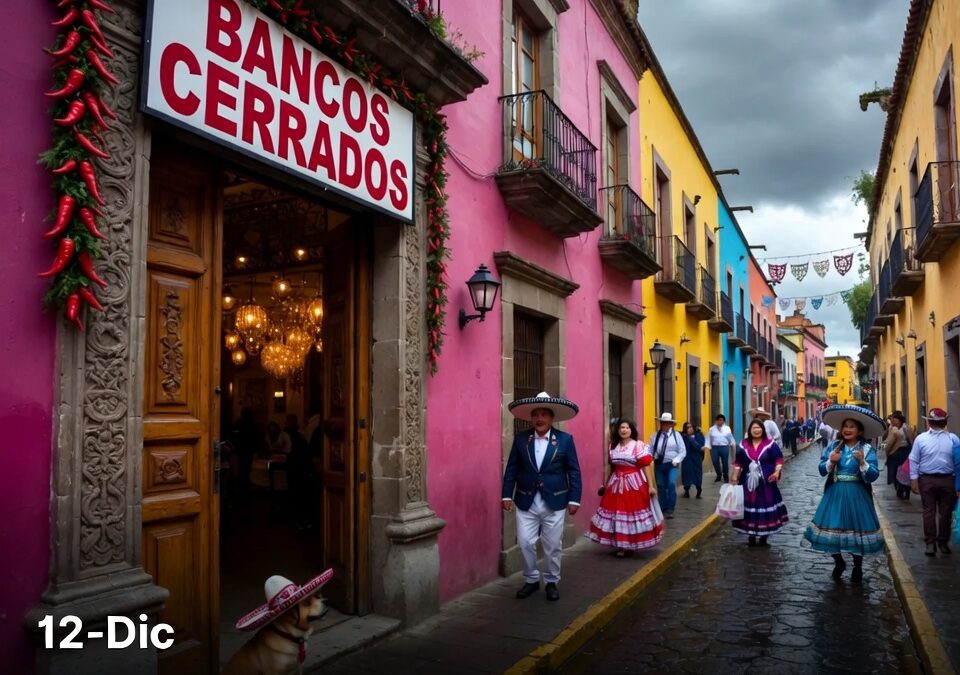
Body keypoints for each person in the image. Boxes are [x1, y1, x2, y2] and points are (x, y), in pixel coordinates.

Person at [502, 392, 582, 602]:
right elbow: (511, 469)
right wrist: (506, 495)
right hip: (525, 499)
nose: (539, 418)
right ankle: (530, 579)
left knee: (553, 545)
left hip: (555, 500)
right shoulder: (521, 439)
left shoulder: (565, 440)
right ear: (531, 417)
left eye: (544, 414)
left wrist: (574, 498)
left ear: (551, 418)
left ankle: (551, 581)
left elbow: (573, 470)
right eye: (536, 414)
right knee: (525, 542)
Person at [803, 405, 886, 582]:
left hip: (857, 495)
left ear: (859, 430)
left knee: (857, 531)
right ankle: (839, 562)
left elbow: (873, 476)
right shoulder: (834, 446)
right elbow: (821, 470)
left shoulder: (867, 450)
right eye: (845, 426)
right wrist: (831, 462)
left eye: (852, 426)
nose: (847, 429)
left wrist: (863, 462)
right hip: (835, 493)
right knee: (833, 528)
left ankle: (857, 566)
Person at [587, 419, 664, 556]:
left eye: (627, 428)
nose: (624, 430)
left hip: (634, 485)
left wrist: (651, 486)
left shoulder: (638, 446)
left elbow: (645, 466)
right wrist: (604, 484)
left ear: (631, 430)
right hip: (615, 485)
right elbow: (611, 468)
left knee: (631, 514)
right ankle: (621, 545)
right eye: (621, 427)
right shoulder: (613, 446)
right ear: (618, 430)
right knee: (617, 514)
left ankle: (630, 544)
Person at [908, 408, 960, 556]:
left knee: (945, 513)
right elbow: (914, 459)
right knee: (930, 513)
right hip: (927, 479)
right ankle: (931, 543)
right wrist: (914, 480)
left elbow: (958, 462)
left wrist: (958, 484)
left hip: (947, 479)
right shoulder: (921, 438)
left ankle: (942, 542)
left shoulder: (953, 439)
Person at [730, 419, 789, 546]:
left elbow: (778, 459)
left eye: (759, 428)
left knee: (764, 506)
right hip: (748, 484)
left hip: (766, 483)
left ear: (762, 429)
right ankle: (751, 535)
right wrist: (734, 476)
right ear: (749, 431)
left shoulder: (770, 444)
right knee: (749, 508)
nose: (756, 430)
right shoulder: (743, 444)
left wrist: (776, 472)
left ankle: (764, 537)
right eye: (754, 428)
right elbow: (738, 462)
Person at [648, 412, 686, 519]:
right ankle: (662, 507)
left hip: (672, 464)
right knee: (660, 485)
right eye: (662, 423)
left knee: (670, 484)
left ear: (671, 424)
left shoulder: (676, 436)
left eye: (667, 423)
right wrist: (650, 457)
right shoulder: (654, 436)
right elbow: (650, 450)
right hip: (659, 465)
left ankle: (670, 508)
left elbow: (683, 451)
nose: (664, 425)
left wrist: (677, 460)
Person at [884, 412, 911, 500]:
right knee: (895, 471)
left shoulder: (905, 428)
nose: (894, 422)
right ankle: (899, 488)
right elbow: (886, 440)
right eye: (892, 420)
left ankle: (904, 489)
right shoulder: (891, 428)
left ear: (900, 421)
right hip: (894, 452)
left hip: (903, 452)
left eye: (895, 421)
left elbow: (910, 439)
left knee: (904, 471)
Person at [706, 413, 736, 483]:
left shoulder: (727, 428)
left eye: (722, 420)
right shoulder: (711, 429)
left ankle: (725, 476)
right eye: (718, 420)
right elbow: (708, 438)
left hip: (724, 447)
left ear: (724, 421)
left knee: (725, 462)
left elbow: (730, 437)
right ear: (716, 421)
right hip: (715, 448)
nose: (720, 422)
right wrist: (708, 446)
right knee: (715, 461)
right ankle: (718, 475)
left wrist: (732, 443)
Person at [681, 422, 705, 498]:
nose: (690, 428)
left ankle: (699, 491)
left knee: (697, 474)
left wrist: (695, 436)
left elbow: (702, 446)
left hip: (696, 458)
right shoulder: (683, 437)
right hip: (687, 458)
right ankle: (686, 491)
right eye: (688, 427)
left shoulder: (698, 435)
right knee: (686, 474)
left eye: (691, 427)